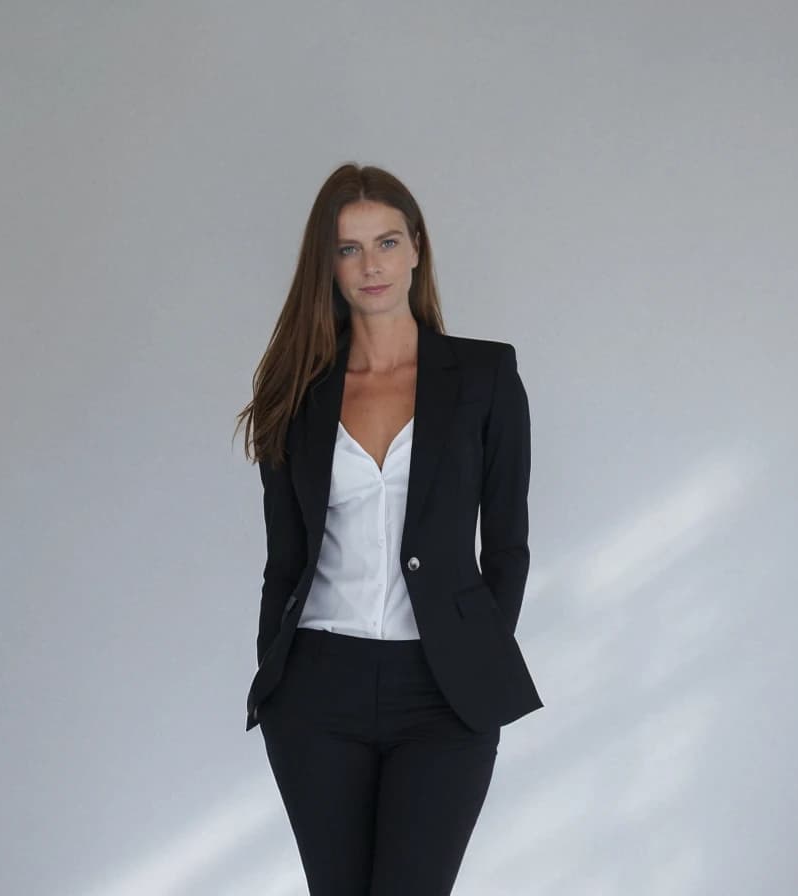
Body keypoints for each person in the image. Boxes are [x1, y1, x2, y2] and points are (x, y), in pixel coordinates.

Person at [233, 163, 543, 894]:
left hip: (442, 692)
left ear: (416, 248)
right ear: (328, 265)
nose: (370, 265)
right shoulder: (297, 391)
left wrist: (473, 657)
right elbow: (285, 560)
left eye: (386, 242)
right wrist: (276, 677)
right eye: (348, 249)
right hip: (316, 690)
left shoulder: (485, 376)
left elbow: (507, 545)